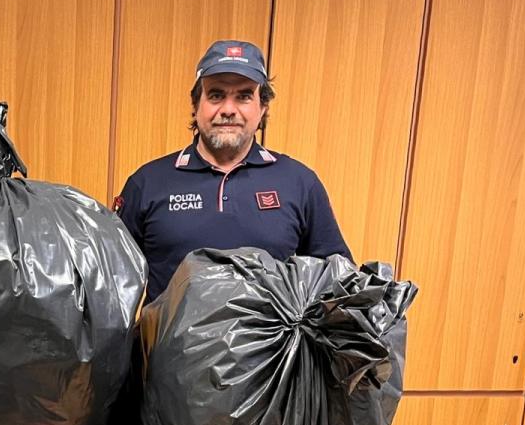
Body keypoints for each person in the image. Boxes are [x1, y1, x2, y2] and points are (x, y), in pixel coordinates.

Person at [114, 40, 349, 302]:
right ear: (196, 104)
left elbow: (338, 285)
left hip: (269, 332)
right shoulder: (147, 183)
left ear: (263, 108)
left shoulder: (299, 183)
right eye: (216, 95)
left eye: (244, 96)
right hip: (170, 332)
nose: (228, 109)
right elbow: (111, 284)